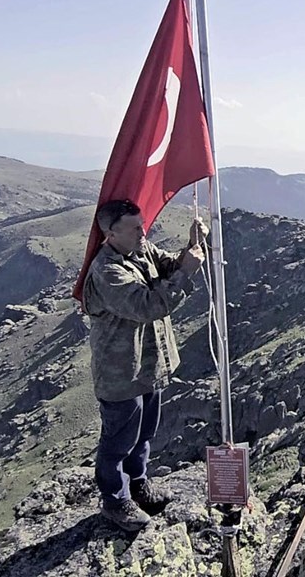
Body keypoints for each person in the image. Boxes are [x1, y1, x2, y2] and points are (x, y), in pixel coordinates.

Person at [81, 199, 207, 531]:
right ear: (111, 232)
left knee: (145, 433)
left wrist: (192, 247)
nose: (143, 230)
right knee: (119, 439)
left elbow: (168, 267)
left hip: (149, 366)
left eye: (143, 224)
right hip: (121, 372)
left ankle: (139, 484)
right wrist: (188, 272)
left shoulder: (140, 249)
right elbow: (147, 305)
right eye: (135, 226)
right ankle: (115, 500)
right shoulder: (107, 270)